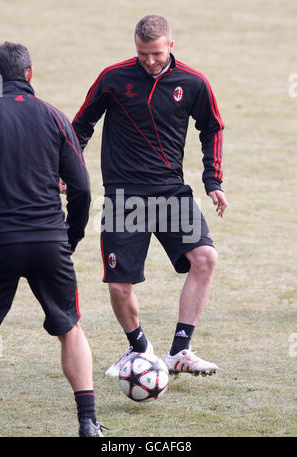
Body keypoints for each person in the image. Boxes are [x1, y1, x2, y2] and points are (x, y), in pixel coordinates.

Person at [72, 14, 228, 378]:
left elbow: (212, 128)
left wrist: (213, 180)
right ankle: (139, 350)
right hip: (124, 196)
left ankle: (180, 351)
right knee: (118, 285)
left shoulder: (192, 82)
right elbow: (80, 125)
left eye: (156, 53)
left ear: (170, 46)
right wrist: (70, 170)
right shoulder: (114, 78)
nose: (149, 60)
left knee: (205, 258)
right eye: (142, 53)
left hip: (171, 192)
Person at [0, 42, 104, 437]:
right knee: (70, 327)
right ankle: (88, 421)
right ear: (29, 74)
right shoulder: (55, 117)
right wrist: (69, 237)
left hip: (1, 241)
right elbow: (81, 189)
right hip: (48, 241)